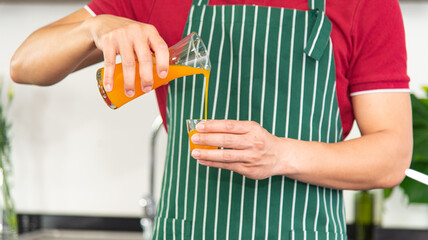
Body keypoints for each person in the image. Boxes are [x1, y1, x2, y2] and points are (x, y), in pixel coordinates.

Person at [10, 0, 412, 239]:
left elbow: (391, 155)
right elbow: (24, 64)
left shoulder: (365, 5)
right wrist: (94, 27)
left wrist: (280, 156)